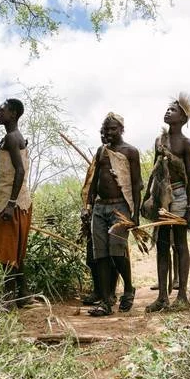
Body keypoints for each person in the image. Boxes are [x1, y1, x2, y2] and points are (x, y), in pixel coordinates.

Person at [83, 112, 142, 317]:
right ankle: (106, 302)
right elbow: (94, 181)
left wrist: (135, 214)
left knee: (117, 252)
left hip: (120, 207)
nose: (109, 132)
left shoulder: (130, 152)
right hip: (100, 208)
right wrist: (88, 205)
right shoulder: (101, 151)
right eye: (106, 129)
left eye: (113, 129)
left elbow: (136, 184)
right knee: (102, 256)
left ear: (122, 130)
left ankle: (128, 289)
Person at [144, 93, 190, 312]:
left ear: (183, 119)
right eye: (168, 109)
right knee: (163, 244)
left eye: (173, 110)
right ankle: (163, 297)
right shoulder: (159, 141)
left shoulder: (186, 143)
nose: (168, 112)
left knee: (180, 243)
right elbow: (155, 170)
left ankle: (182, 295)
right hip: (161, 196)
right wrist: (147, 197)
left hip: (180, 195)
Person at [0, 98, 33, 308]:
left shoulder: (11, 137)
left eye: (2, 110)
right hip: (17, 201)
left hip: (13, 203)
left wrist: (10, 203)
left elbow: (20, 170)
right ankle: (23, 295)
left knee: (7, 253)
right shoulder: (15, 137)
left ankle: (8, 300)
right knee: (15, 252)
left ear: (13, 114)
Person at [81, 127, 118, 306]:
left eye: (107, 132)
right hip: (95, 211)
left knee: (113, 255)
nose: (104, 136)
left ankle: (110, 293)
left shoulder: (119, 156)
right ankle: (98, 291)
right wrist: (86, 208)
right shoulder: (99, 156)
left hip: (114, 211)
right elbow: (90, 187)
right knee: (94, 255)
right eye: (101, 133)